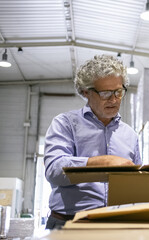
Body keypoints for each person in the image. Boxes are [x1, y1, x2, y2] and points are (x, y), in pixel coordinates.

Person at [44, 55, 141, 229]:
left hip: (116, 225)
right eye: (105, 93)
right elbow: (54, 170)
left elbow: (137, 185)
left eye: (118, 92)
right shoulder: (65, 124)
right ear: (85, 92)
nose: (113, 99)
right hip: (69, 223)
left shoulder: (130, 135)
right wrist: (101, 163)